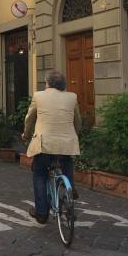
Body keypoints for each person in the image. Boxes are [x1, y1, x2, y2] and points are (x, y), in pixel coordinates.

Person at [22, 70, 82, 225]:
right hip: (66, 142)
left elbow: (30, 118)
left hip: (45, 143)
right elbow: (78, 121)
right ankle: (70, 188)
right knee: (66, 161)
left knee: (39, 173)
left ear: (47, 84)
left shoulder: (39, 96)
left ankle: (41, 213)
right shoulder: (72, 97)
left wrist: (26, 134)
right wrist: (74, 134)